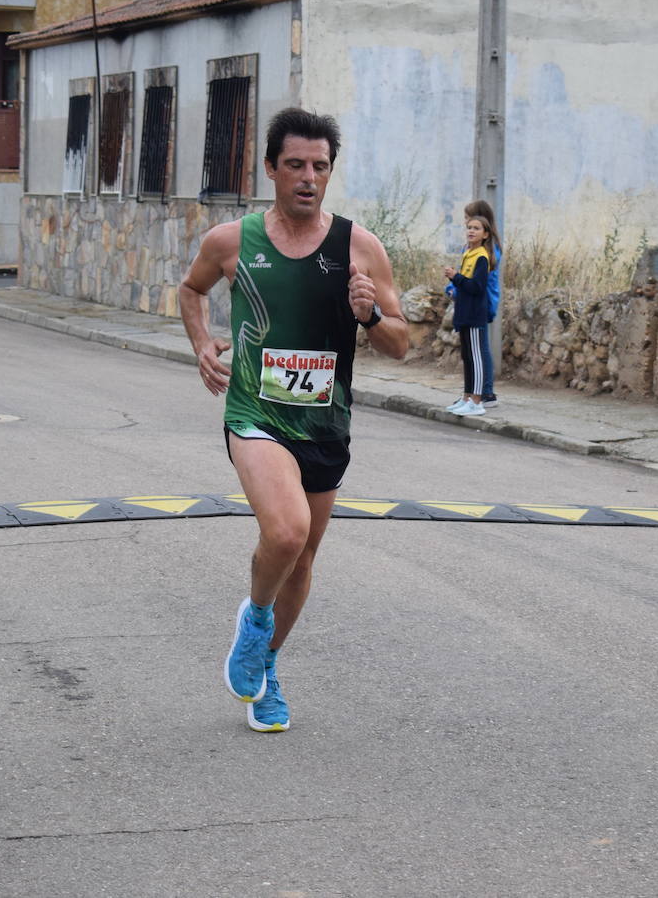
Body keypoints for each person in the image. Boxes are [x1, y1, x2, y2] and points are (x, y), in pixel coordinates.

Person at [178, 107, 408, 732]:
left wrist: (369, 315)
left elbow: (400, 343)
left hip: (326, 424)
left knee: (302, 559)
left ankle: (267, 665)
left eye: (321, 167)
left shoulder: (360, 248)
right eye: (297, 165)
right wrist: (201, 343)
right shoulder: (231, 241)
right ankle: (255, 619)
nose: (309, 177)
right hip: (255, 412)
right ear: (271, 168)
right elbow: (192, 289)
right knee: (285, 533)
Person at [442, 215, 497, 417]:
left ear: (485, 234)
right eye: (469, 227)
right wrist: (455, 281)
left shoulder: (482, 256)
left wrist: (455, 277)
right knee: (467, 357)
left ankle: (477, 401)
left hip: (474, 315)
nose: (471, 231)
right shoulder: (468, 253)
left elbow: (477, 287)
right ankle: (466, 398)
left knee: (476, 358)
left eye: (476, 228)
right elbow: (465, 285)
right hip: (464, 313)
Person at [465, 199, 502, 407]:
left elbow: (479, 278)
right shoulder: (474, 247)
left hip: (481, 301)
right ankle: (473, 393)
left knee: (480, 349)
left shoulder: (488, 250)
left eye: (470, 220)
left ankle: (485, 393)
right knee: (475, 349)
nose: (467, 225)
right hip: (472, 300)